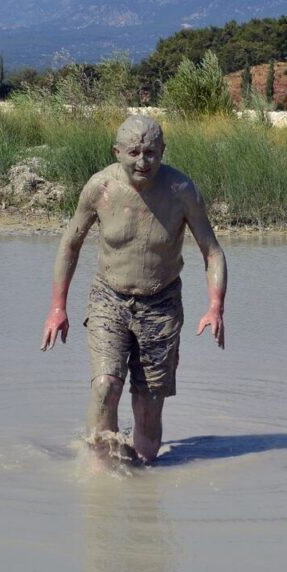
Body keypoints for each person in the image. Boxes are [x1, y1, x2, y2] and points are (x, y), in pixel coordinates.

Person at [41, 115, 227, 464]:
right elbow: (70, 244)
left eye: (152, 153)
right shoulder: (100, 187)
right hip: (108, 297)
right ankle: (102, 471)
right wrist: (57, 308)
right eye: (134, 152)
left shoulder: (181, 191)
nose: (143, 162)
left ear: (163, 151)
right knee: (105, 386)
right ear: (117, 152)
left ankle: (142, 477)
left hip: (162, 303)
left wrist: (215, 306)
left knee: (148, 403)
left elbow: (212, 252)